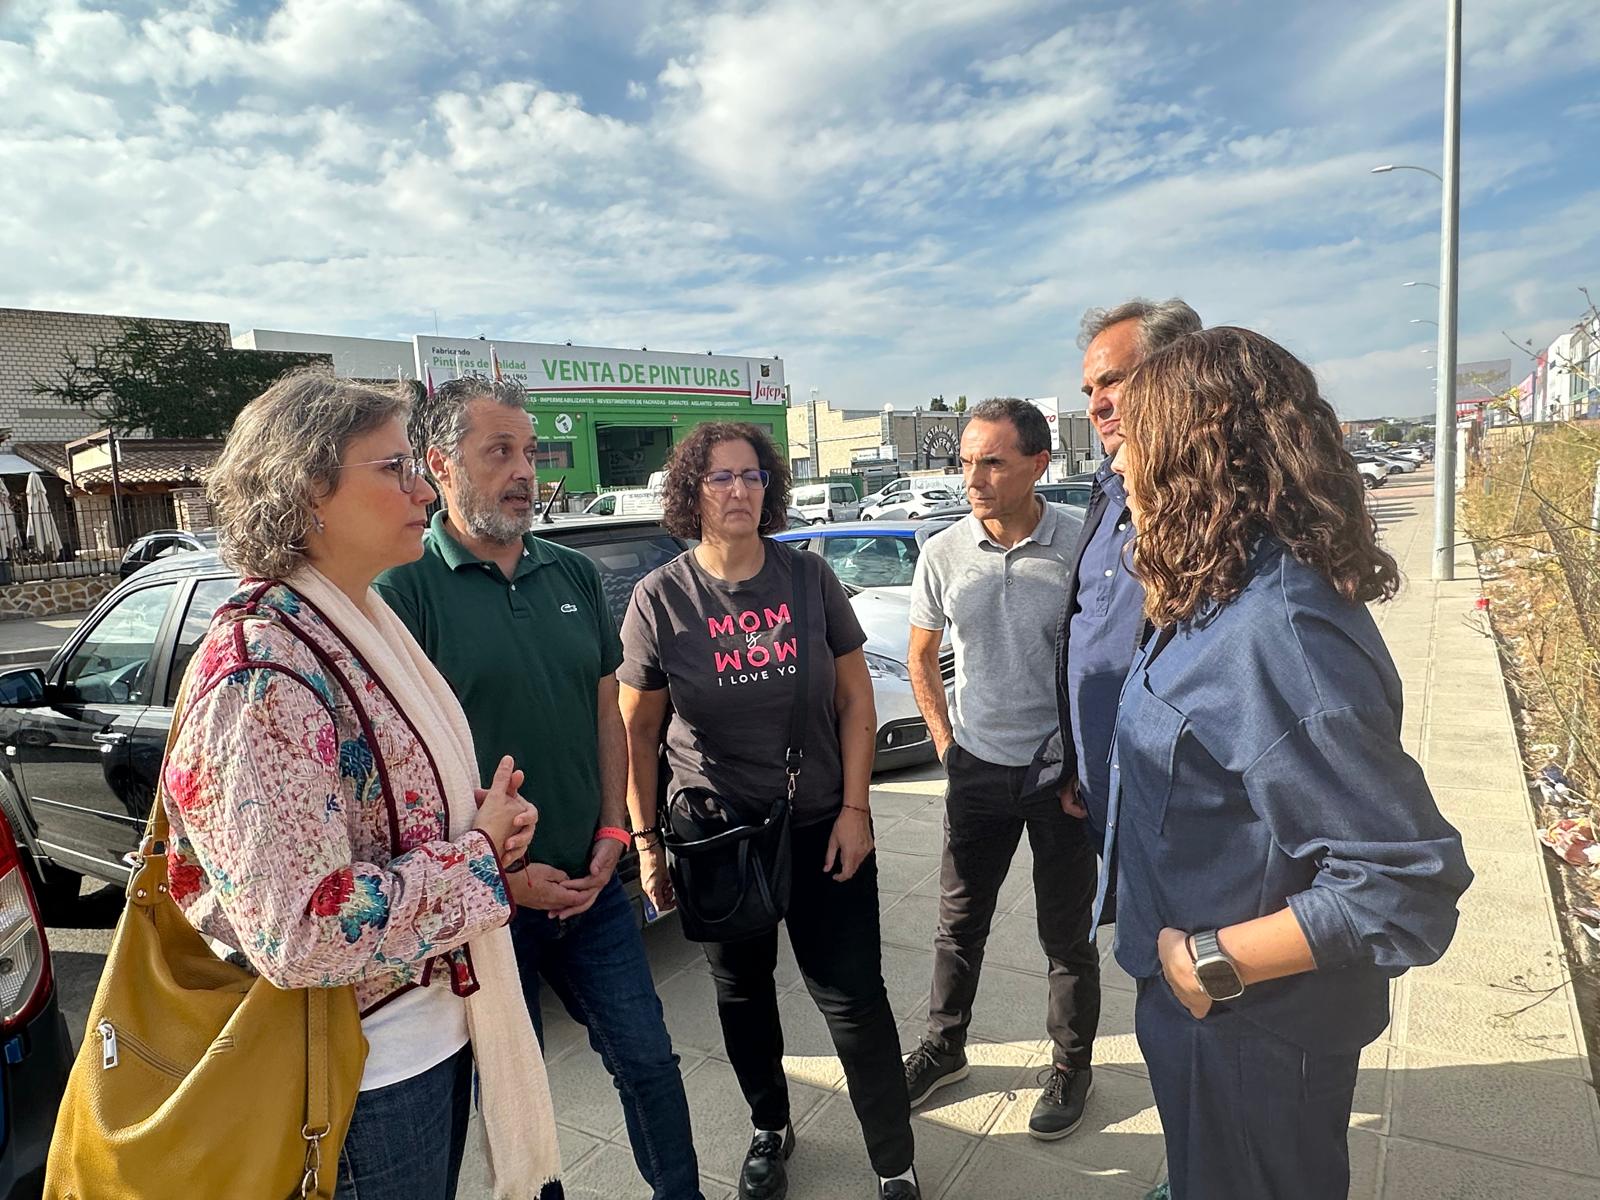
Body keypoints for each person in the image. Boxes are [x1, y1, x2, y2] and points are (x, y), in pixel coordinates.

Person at [163, 369, 562, 1200]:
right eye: (393, 468)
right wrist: (480, 858)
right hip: (360, 1080)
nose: (423, 488)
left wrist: (478, 830)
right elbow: (300, 931)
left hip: (422, 1043)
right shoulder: (261, 676)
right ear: (307, 489)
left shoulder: (352, 627)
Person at [1105, 327, 1472, 1200]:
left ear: (1196, 456)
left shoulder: (1279, 633)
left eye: (1134, 441)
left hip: (1251, 1033)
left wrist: (1209, 960)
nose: (1118, 465)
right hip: (1206, 1023)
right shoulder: (1219, 587)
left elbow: (1404, 883)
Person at [374, 377, 702, 1200]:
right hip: (486, 907)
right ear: (441, 464)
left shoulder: (573, 575)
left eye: (529, 452)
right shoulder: (402, 590)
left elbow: (608, 716)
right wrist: (502, 878)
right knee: (510, 1101)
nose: (525, 471)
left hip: (590, 885)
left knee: (649, 1061)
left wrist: (612, 836)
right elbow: (399, 776)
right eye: (500, 452)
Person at [617, 422, 921, 1200]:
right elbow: (638, 730)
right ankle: (769, 1125)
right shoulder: (661, 598)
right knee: (743, 991)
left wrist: (858, 807)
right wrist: (647, 844)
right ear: (691, 491)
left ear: (770, 487)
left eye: (751, 476)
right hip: (718, 836)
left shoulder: (808, 580)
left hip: (822, 825)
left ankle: (894, 1162)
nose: (739, 491)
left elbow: (855, 696)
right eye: (719, 478)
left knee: (854, 997)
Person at [900, 398, 1100, 1140]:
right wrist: (946, 744)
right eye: (965, 461)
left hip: (1059, 777)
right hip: (977, 770)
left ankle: (1071, 1066)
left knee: (1065, 934)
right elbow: (921, 654)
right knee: (959, 925)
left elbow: (1103, 662)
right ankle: (944, 1048)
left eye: (992, 461)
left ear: (1039, 464)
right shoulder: (943, 552)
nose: (974, 478)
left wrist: (1085, 761)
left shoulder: (1081, 547)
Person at [1054, 298, 1202, 859]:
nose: (1097, 405)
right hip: (1101, 788)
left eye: (1113, 381)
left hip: (1181, 813)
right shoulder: (1108, 493)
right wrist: (1076, 759)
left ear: (1177, 374)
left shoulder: (1223, 514)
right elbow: (1086, 634)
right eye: (1089, 391)